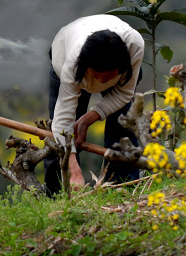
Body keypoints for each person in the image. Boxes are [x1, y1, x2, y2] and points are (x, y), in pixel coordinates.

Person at [45, 14, 144, 196]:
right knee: (58, 143)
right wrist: (73, 170)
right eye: (97, 75)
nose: (101, 81)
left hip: (117, 64)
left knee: (123, 130)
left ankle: (122, 190)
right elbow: (63, 121)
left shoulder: (134, 47)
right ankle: (58, 195)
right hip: (65, 54)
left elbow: (124, 93)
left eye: (108, 77)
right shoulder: (72, 64)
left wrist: (89, 118)